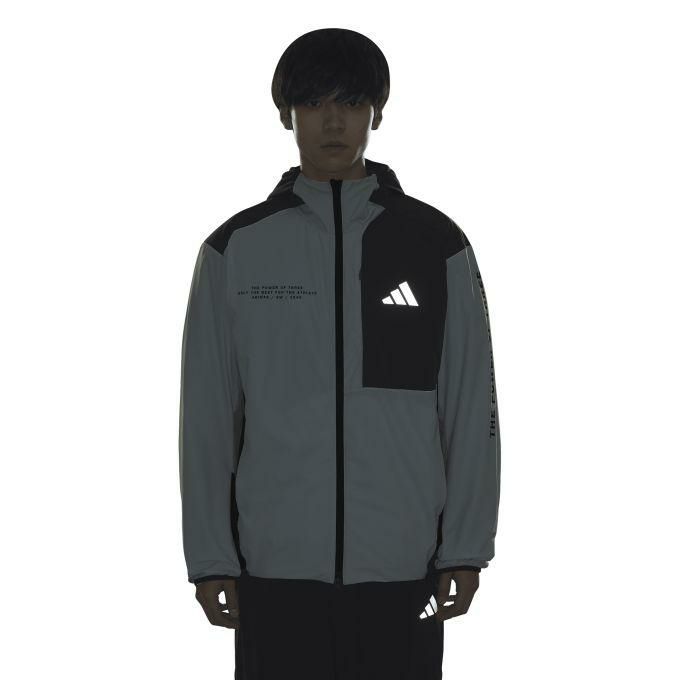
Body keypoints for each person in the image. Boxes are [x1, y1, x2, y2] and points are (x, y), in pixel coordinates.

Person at [179, 27, 501, 680]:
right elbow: (207, 416)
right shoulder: (235, 249)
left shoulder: (435, 244)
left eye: (351, 103)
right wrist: (211, 557)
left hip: (404, 568)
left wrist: (465, 548)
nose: (333, 121)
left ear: (376, 112)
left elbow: (471, 404)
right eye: (315, 102)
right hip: (274, 570)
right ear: (286, 113)